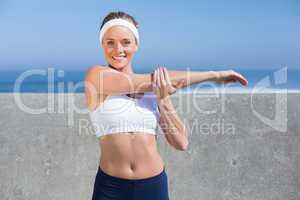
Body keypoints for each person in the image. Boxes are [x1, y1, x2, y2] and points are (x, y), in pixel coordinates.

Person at [84, 11, 248, 200]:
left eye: (126, 42)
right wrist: (215, 75)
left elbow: (181, 142)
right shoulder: (95, 76)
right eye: (110, 42)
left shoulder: (155, 88)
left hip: (153, 186)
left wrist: (162, 99)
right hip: (111, 188)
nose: (118, 49)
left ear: (136, 45)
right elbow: (151, 81)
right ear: (102, 45)